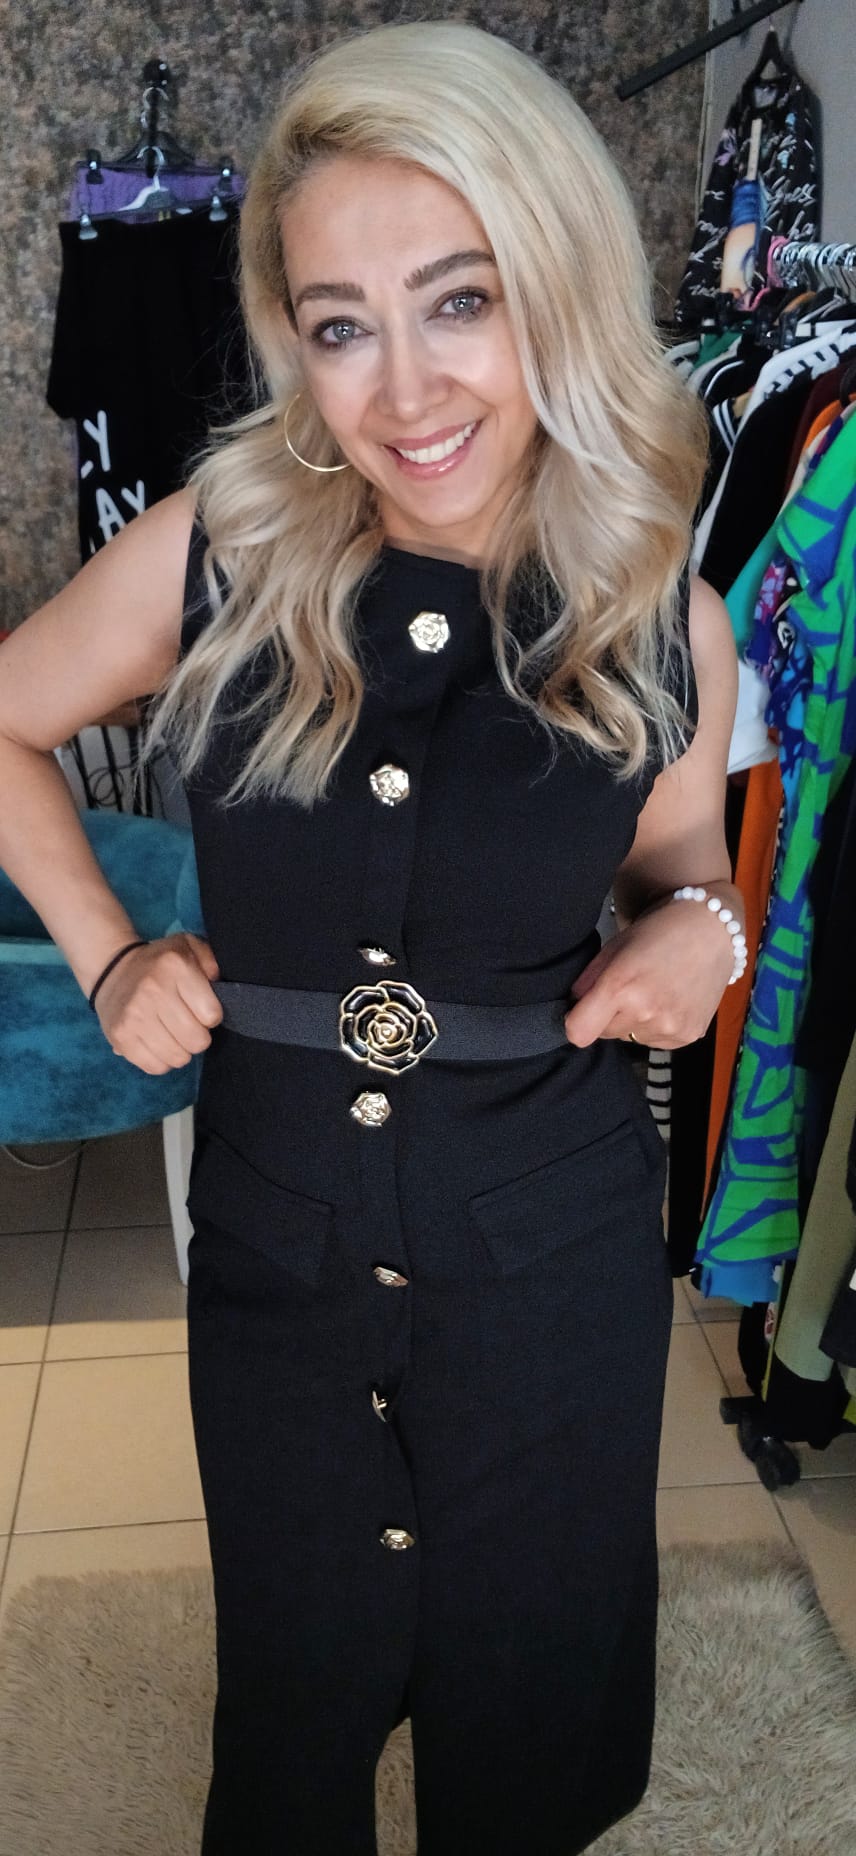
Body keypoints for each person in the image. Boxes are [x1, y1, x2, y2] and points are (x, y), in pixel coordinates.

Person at [0, 21, 742, 1855]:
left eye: (458, 301)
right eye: (341, 325)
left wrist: (704, 935)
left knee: (531, 1688)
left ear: (558, 284)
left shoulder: (665, 610)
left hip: (549, 1250)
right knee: (300, 1674)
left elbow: (684, 873)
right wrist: (107, 952)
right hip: (284, 1235)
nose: (403, 390)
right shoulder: (221, 553)